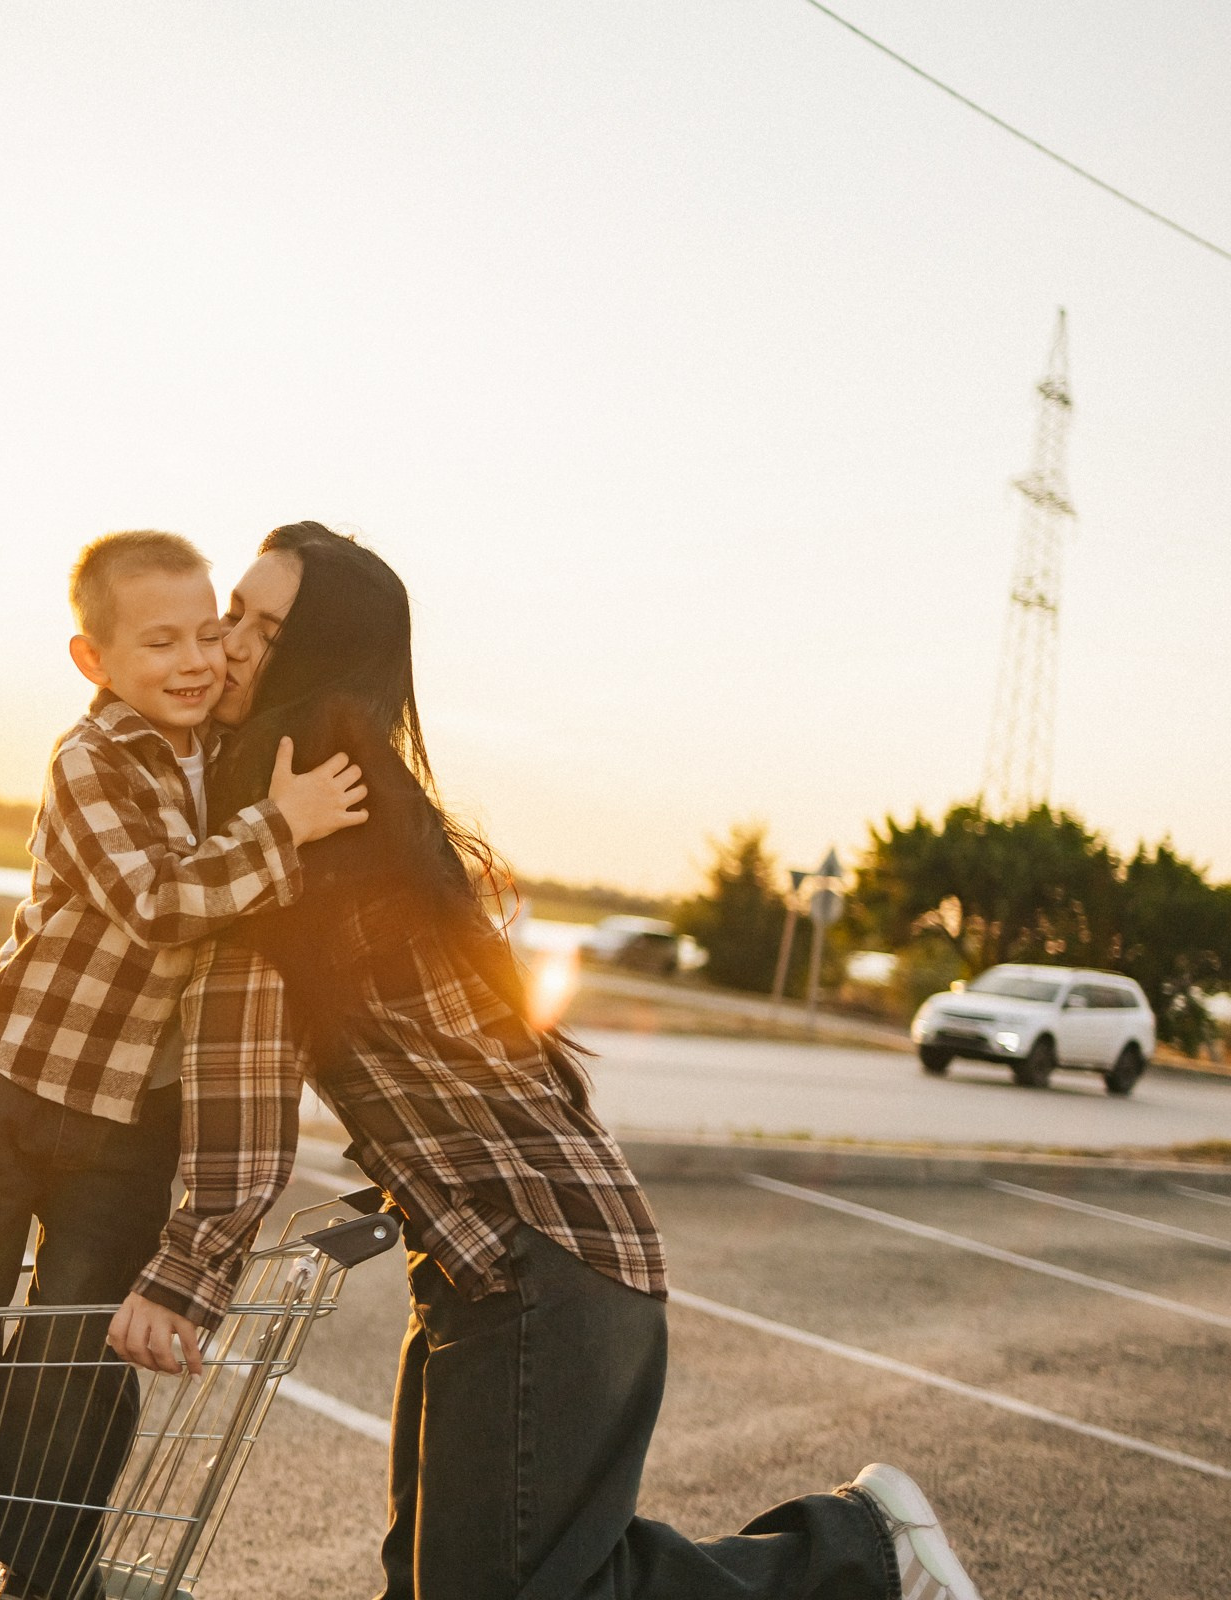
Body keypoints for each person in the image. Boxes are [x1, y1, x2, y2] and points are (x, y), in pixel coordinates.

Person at [108, 522, 981, 1600]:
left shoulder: (299, 841)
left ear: (318, 658)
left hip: (542, 1264)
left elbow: (245, 1096)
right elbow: (463, 1065)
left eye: (262, 626)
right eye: (232, 612)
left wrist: (187, 1273)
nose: (227, 641)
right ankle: (858, 1552)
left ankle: (856, 1555)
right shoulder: (364, 817)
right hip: (507, 1259)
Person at [0, 529, 370, 1600]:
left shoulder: (224, 757)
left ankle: (49, 1570)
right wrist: (288, 825)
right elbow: (160, 901)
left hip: (134, 1118)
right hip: (9, 1086)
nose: (196, 658)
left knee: (79, 1360)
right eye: (159, 643)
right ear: (94, 661)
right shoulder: (89, 760)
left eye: (209, 632)